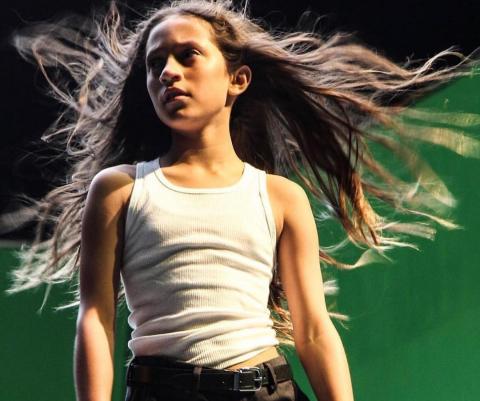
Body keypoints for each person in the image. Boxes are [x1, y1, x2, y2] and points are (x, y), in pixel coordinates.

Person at [4, 1, 479, 401]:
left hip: (269, 390)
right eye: (155, 63)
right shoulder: (120, 189)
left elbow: (314, 330)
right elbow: (96, 317)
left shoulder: (280, 196)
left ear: (238, 78)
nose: (168, 72)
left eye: (188, 55)